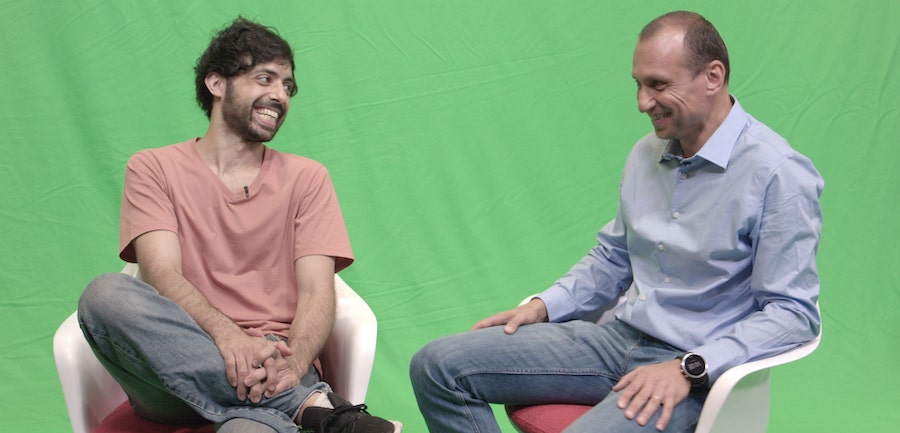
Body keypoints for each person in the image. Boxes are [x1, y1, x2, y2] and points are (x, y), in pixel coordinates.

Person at [410, 10, 823, 433]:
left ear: (713, 76)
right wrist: (544, 305)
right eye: (639, 85)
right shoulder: (647, 153)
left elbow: (793, 313)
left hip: (692, 368)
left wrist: (690, 367)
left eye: (658, 85)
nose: (643, 102)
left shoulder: (778, 173)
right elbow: (614, 258)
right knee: (437, 365)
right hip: (617, 339)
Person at [78, 17, 401, 433]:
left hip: (276, 360)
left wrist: (296, 362)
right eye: (265, 78)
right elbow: (160, 273)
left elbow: (318, 291)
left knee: (247, 431)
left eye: (287, 86)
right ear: (216, 84)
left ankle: (299, 406)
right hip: (174, 359)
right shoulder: (153, 167)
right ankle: (313, 407)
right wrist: (228, 338)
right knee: (104, 294)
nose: (279, 95)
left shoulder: (308, 178)